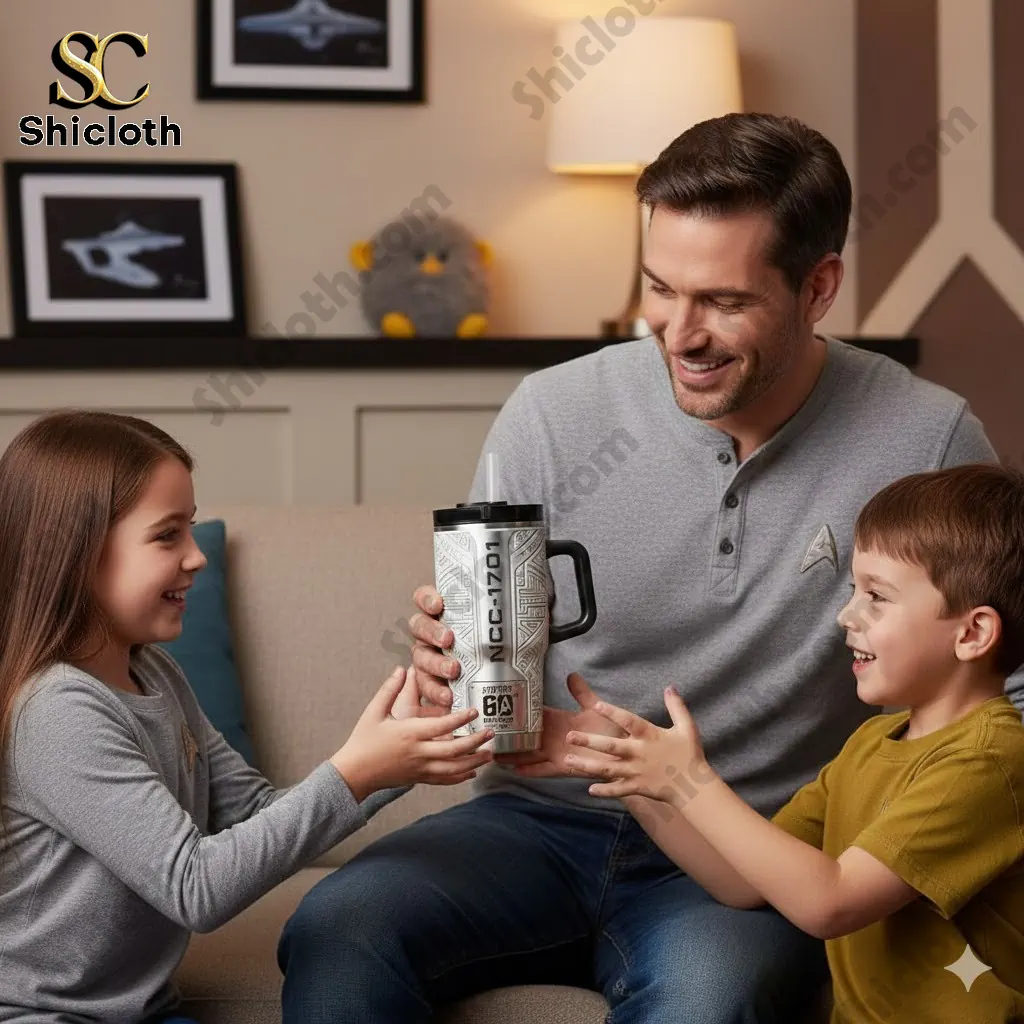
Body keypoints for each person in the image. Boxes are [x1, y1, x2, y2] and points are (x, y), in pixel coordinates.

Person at [277, 112, 1024, 1022]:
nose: (681, 332)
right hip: (535, 819)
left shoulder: (928, 437)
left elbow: (1001, 687)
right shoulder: (551, 413)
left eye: (725, 300)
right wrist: (452, 660)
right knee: (339, 926)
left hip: (749, 843)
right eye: (660, 290)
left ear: (818, 286)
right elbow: (479, 650)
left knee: (709, 1002)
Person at [0, 410, 493, 1024]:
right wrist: (355, 773)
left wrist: (390, 760)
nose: (194, 557)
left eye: (192, 530)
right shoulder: (57, 711)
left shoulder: (156, 674)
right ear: (76, 554)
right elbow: (194, 887)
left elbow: (254, 813)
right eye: (166, 536)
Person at [564, 462, 1024, 1023]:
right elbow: (743, 883)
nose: (845, 615)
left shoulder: (989, 761)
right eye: (854, 590)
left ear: (972, 633)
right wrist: (637, 778)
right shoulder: (872, 743)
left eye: (876, 596)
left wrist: (691, 779)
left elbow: (830, 902)